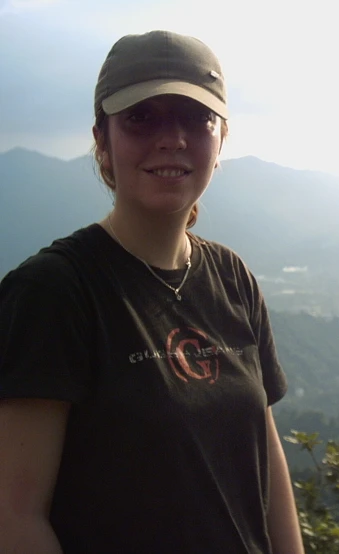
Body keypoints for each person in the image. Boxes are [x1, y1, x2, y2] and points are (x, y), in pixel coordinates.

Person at [0, 30, 304, 554]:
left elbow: (267, 467)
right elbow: (15, 518)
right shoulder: (55, 292)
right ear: (102, 138)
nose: (172, 138)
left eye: (195, 117)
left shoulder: (232, 278)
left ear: (222, 137)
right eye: (142, 117)